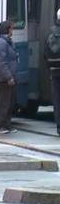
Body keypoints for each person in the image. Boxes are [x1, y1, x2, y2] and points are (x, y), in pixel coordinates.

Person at [0, 21, 19, 134]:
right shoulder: (0, 43)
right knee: (4, 102)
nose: (13, 31)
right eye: (12, 28)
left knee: (9, 102)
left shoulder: (8, 42)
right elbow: (1, 62)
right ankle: (0, 125)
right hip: (2, 79)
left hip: (8, 78)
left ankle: (7, 124)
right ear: (7, 29)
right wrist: (8, 77)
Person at [45, 8, 60, 136]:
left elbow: (45, 54)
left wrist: (49, 67)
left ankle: (59, 127)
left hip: (54, 71)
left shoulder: (50, 32)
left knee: (57, 100)